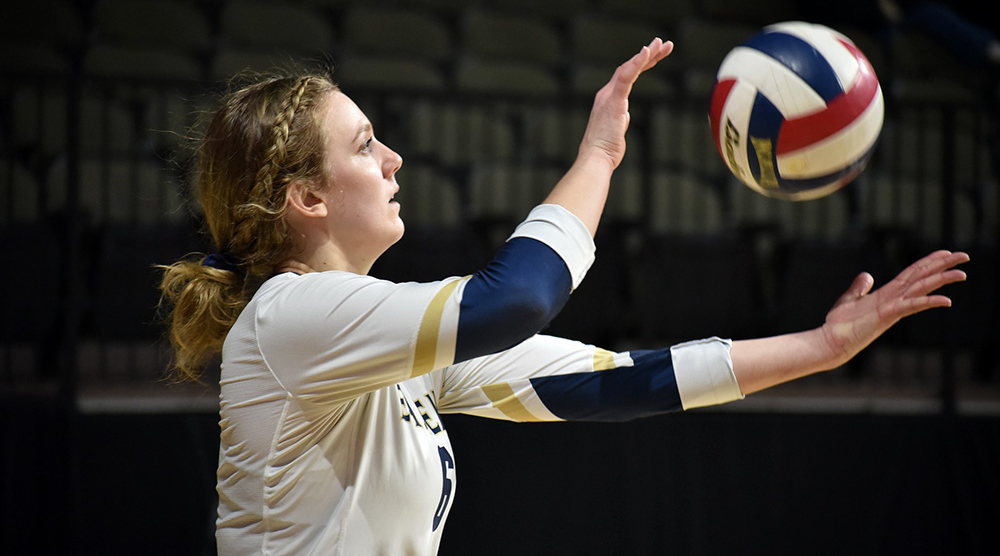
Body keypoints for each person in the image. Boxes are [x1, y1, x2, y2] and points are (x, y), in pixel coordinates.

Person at [158, 39, 969, 555]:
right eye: (366, 145)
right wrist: (599, 156)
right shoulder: (288, 316)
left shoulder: (374, 342)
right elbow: (515, 300)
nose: (394, 158)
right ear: (307, 199)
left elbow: (608, 383)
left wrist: (824, 346)